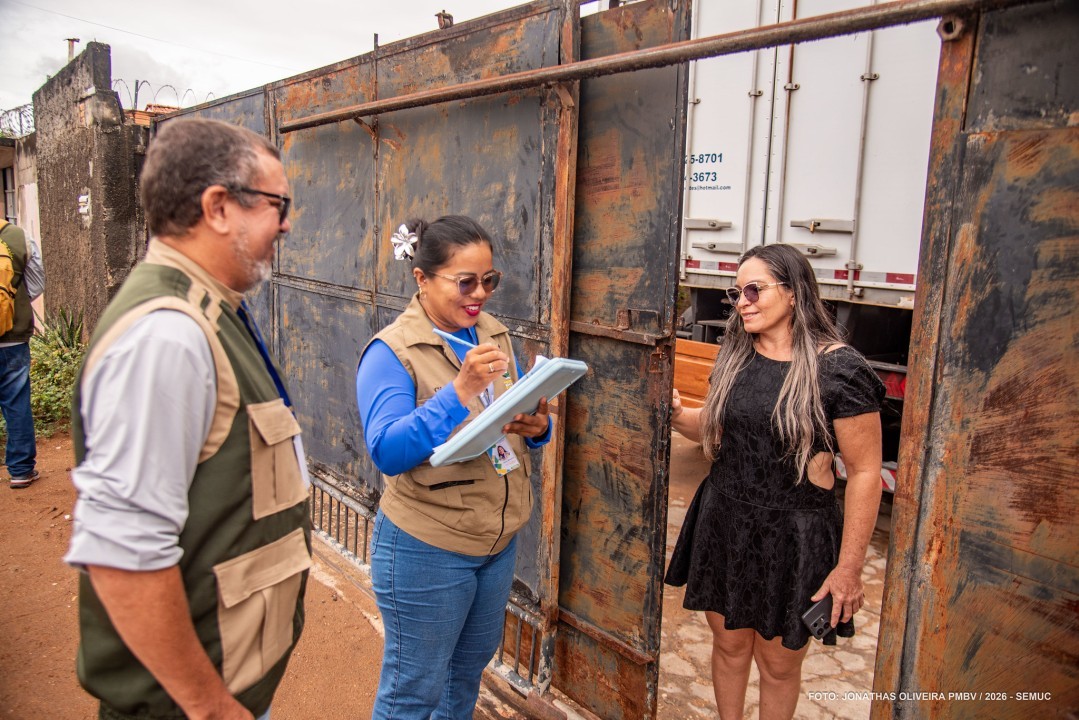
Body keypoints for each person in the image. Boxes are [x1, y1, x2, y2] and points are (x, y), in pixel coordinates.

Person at [65, 118, 311, 720]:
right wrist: (211, 707)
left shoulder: (210, 311)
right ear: (218, 207)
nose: (287, 223)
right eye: (278, 204)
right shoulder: (168, 337)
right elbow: (123, 553)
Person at [665, 243, 885, 720]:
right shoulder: (737, 354)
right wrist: (679, 414)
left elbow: (866, 473)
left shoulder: (839, 369)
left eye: (753, 289)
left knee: (779, 664)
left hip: (794, 536)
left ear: (793, 292)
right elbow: (714, 429)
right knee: (728, 646)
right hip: (726, 520)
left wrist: (849, 569)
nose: (741, 302)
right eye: (736, 292)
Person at [355, 215, 552, 719]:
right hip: (427, 547)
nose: (480, 294)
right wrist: (459, 391)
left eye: (489, 280)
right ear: (422, 279)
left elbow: (503, 420)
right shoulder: (391, 351)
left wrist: (535, 427)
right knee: (412, 691)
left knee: (464, 677)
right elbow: (387, 449)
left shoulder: (492, 333)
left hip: (494, 541)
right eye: (465, 282)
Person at [0, 217, 45, 489]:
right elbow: (36, 285)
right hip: (12, 339)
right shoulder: (19, 237)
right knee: (16, 402)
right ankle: (20, 471)